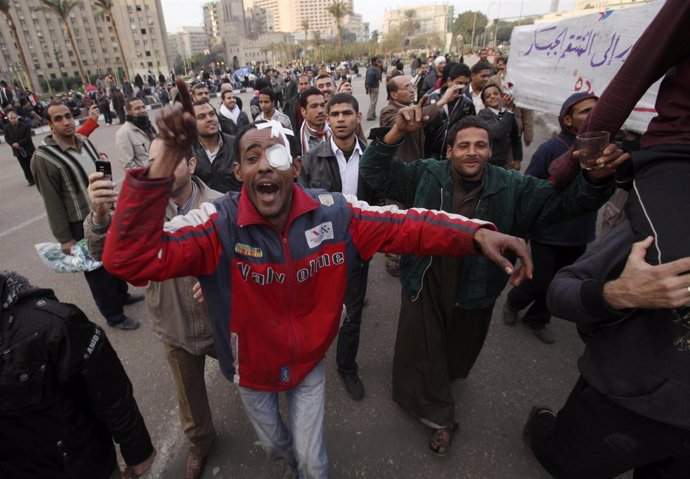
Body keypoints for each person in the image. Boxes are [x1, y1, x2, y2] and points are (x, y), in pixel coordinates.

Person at [102, 81, 533, 478]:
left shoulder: (336, 212)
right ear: (239, 175)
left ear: (292, 166)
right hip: (250, 371)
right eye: (252, 158)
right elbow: (128, 260)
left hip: (308, 364)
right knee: (276, 447)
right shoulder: (218, 223)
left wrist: (475, 233)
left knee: (314, 461)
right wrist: (162, 164)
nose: (264, 167)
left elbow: (408, 225)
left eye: (274, 157)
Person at [360, 107, 626, 456]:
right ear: (450, 150)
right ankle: (441, 417)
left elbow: (565, 205)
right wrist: (395, 133)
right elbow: (375, 172)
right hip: (426, 277)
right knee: (421, 348)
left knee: (458, 349)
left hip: (478, 287)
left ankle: (443, 379)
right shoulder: (426, 174)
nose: (472, 151)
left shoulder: (512, 186)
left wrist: (595, 180)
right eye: (464, 145)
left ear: (489, 150)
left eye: (480, 145)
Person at [85, 138, 221, 479]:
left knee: (252, 378)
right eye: (154, 161)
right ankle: (200, 444)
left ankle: (273, 428)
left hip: (222, 321)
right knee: (190, 398)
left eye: (170, 160)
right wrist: (100, 216)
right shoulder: (142, 212)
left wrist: (220, 281)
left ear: (191, 165)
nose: (158, 168)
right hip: (173, 324)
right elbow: (107, 254)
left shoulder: (223, 204)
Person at [525, 220, 690, 477]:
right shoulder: (663, 213)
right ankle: (542, 426)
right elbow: (562, 290)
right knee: (566, 462)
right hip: (626, 402)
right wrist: (621, 293)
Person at [548, 0, 690, 267]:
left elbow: (583, 200)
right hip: (679, 154)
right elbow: (630, 79)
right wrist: (568, 166)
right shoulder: (550, 149)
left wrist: (595, 179)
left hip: (579, 233)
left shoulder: (613, 155)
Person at [0, 270, 156, 479]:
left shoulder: (52, 325)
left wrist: (137, 450)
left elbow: (109, 390)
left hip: (82, 466)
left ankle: (116, 312)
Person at [30, 102, 142, 330]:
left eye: (68, 116)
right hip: (78, 223)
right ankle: (114, 315)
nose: (66, 122)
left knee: (114, 257)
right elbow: (52, 202)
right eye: (58, 119)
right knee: (96, 271)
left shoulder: (85, 142)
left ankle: (121, 294)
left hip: (104, 214)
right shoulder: (44, 158)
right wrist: (65, 239)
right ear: (49, 124)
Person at [299, 93, 381, 401]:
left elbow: (380, 203)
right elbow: (304, 208)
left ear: (358, 117)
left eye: (347, 113)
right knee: (314, 309)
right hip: (321, 251)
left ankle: (346, 366)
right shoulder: (311, 159)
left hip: (358, 248)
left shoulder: (373, 158)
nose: (341, 119)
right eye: (334, 114)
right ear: (327, 120)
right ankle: (306, 361)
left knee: (352, 312)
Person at [503, 92, 598, 343]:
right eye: (586, 111)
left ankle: (538, 318)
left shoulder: (598, 149)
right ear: (568, 120)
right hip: (549, 231)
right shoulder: (551, 149)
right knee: (541, 280)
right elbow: (529, 187)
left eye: (597, 110)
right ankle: (514, 302)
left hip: (579, 232)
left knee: (562, 282)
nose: (594, 116)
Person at [424, 63, 476, 160]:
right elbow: (422, 123)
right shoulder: (432, 98)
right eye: (459, 83)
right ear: (449, 81)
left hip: (455, 155)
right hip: (430, 154)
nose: (462, 87)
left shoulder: (467, 104)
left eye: (466, 84)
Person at [189, 100, 241, 193]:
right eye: (201, 117)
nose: (209, 119)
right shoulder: (188, 150)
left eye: (212, 114)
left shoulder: (237, 144)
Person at [488, 56, 534, 149]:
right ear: (505, 65)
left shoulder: (522, 84)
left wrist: (528, 134)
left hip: (515, 128)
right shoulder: (493, 81)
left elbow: (528, 111)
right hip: (494, 126)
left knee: (513, 158)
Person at [477, 84, 522, 169]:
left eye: (495, 94)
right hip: (489, 162)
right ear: (484, 102)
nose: (492, 97)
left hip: (505, 162)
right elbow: (498, 133)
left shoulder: (508, 113)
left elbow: (516, 138)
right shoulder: (484, 114)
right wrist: (509, 111)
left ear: (502, 96)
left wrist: (517, 160)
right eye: (488, 96)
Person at [115, 98, 157, 170]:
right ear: (128, 111)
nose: (142, 110)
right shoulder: (123, 133)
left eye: (143, 107)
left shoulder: (149, 126)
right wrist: (146, 177)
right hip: (147, 178)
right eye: (137, 108)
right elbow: (128, 165)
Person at [4, 110, 35, 186]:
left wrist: (19, 143)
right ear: (8, 119)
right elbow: (7, 138)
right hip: (17, 150)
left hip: (28, 148)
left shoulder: (25, 126)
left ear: (17, 117)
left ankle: (36, 177)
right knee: (24, 166)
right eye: (11, 118)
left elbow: (27, 137)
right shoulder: (6, 128)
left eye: (14, 118)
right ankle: (30, 180)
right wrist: (13, 144)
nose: (13, 120)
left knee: (32, 164)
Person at [298, 87, 329, 155]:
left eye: (322, 105)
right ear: (303, 111)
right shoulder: (296, 141)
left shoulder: (335, 133)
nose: (320, 110)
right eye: (314, 106)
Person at [365, 56, 382, 121]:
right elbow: (378, 77)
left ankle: (373, 114)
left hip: (369, 87)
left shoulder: (369, 68)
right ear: (374, 62)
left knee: (372, 100)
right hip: (375, 87)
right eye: (377, 61)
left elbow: (366, 79)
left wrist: (366, 87)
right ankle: (369, 115)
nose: (378, 62)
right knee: (373, 101)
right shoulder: (376, 69)